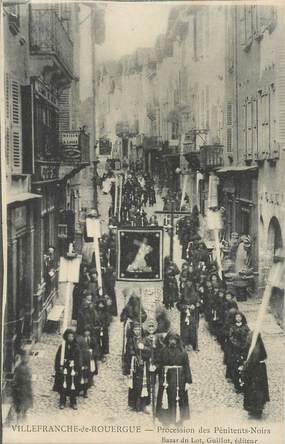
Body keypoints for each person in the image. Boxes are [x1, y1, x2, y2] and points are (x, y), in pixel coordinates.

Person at [155, 333, 192, 424]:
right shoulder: (163, 351)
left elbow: (187, 366)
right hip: (167, 378)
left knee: (181, 398)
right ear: (168, 340)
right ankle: (166, 419)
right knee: (167, 397)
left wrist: (188, 381)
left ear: (177, 341)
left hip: (180, 378)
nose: (172, 341)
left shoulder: (183, 352)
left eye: (174, 340)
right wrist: (155, 368)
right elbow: (158, 363)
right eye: (171, 339)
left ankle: (180, 420)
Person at [125, 322, 151, 412]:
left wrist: (143, 348)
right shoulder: (131, 340)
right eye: (135, 329)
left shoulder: (145, 340)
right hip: (134, 365)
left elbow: (150, 351)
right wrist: (134, 354)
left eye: (139, 329)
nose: (137, 331)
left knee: (144, 385)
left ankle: (144, 405)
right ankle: (134, 405)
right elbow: (129, 351)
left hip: (143, 365)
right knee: (134, 385)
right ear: (132, 330)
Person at [242, 332, 270, 418]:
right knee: (250, 389)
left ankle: (258, 409)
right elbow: (244, 355)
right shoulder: (248, 346)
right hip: (251, 371)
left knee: (258, 390)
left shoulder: (259, 347)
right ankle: (252, 408)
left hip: (258, 371)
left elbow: (264, 356)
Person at [53, 329, 81, 409]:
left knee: (73, 385)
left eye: (72, 336)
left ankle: (73, 402)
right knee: (63, 384)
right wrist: (59, 367)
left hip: (72, 369)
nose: (70, 338)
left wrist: (76, 368)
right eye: (69, 336)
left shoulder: (76, 347)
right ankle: (62, 401)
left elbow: (78, 358)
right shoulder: (62, 346)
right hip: (64, 368)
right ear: (66, 337)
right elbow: (58, 357)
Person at [227, 312, 250, 392]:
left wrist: (245, 344)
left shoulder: (245, 327)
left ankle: (244, 383)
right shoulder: (232, 327)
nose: (238, 318)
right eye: (237, 317)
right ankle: (237, 385)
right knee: (236, 366)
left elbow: (249, 336)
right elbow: (231, 337)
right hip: (235, 350)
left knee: (243, 365)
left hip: (244, 349)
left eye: (240, 317)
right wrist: (237, 344)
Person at [177, 280, 200, 351]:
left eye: (190, 282)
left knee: (193, 329)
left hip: (194, 314)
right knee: (185, 329)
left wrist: (196, 305)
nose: (189, 283)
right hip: (185, 314)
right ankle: (184, 344)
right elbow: (178, 304)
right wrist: (185, 307)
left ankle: (193, 345)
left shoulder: (196, 293)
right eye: (188, 282)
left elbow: (199, 302)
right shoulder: (182, 294)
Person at [77, 325, 99, 398]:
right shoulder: (81, 340)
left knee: (89, 374)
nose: (87, 333)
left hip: (91, 359)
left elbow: (96, 348)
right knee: (82, 373)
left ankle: (86, 390)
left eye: (88, 331)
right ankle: (80, 388)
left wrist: (92, 352)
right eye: (85, 331)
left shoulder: (92, 339)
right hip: (83, 359)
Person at [11, 350, 33, 422]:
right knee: (19, 403)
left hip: (26, 389)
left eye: (27, 357)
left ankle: (23, 414)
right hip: (20, 389)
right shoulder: (19, 368)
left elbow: (29, 377)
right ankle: (19, 416)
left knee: (25, 403)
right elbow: (16, 378)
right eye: (25, 357)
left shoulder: (26, 367)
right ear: (21, 358)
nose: (27, 359)